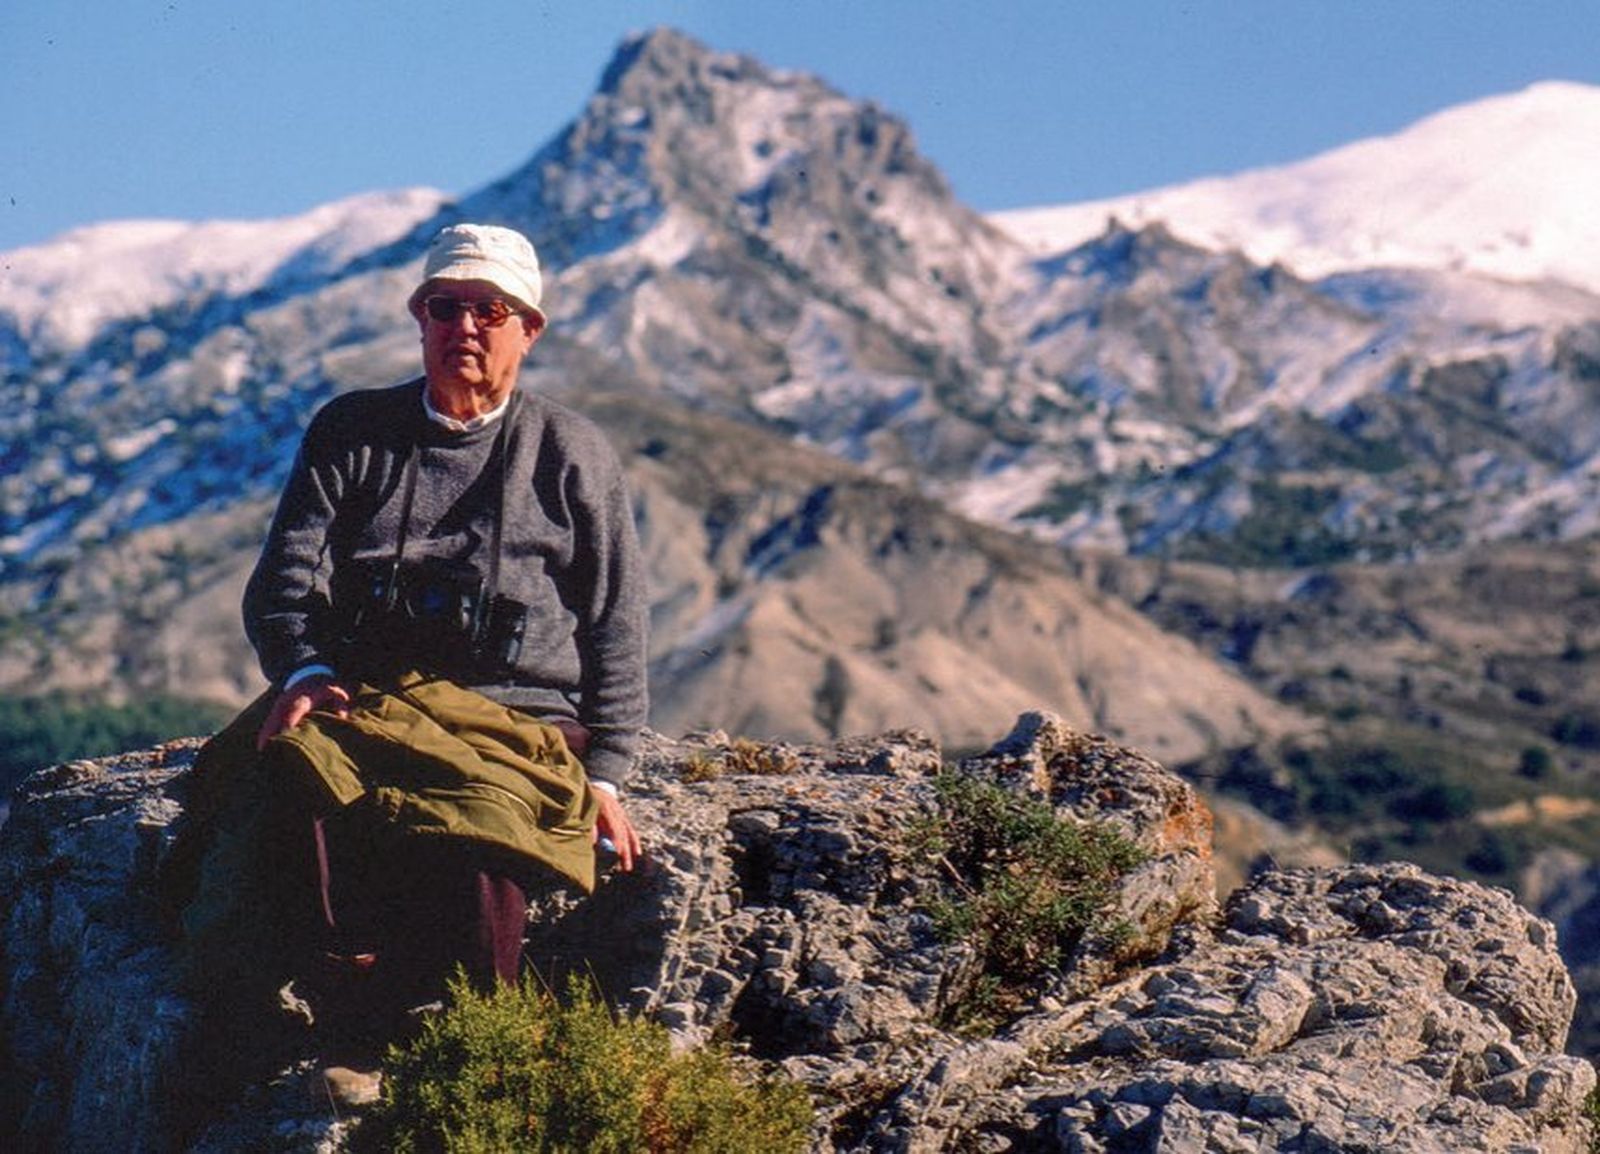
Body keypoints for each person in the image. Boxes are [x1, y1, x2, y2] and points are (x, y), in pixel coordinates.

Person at [178, 223, 648, 1107]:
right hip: (370, 693)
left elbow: (615, 619)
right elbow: (280, 586)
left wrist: (611, 774)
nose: (465, 326)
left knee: (484, 828)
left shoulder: (572, 452)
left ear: (528, 329)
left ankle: (475, 1039)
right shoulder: (354, 431)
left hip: (519, 714)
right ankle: (348, 1013)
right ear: (418, 318)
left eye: (489, 310)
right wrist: (304, 673)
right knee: (293, 779)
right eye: (445, 307)